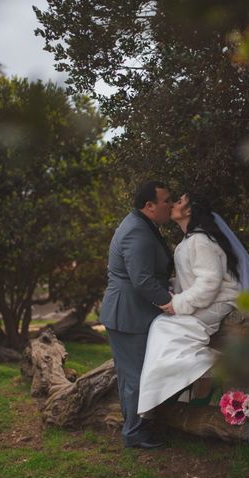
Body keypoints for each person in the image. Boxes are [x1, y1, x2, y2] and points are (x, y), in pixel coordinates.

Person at [137, 193, 249, 416]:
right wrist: (171, 291)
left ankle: (209, 368)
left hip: (219, 302)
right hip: (206, 299)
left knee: (166, 328)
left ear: (189, 211)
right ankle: (171, 389)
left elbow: (209, 282)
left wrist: (178, 304)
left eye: (179, 202)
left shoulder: (201, 240)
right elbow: (193, 279)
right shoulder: (188, 241)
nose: (173, 204)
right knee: (162, 326)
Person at [98, 180, 173, 449]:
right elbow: (141, 279)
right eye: (166, 200)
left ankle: (140, 427)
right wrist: (170, 302)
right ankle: (133, 434)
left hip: (134, 312)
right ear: (149, 206)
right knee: (135, 377)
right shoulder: (137, 232)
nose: (171, 204)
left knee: (137, 375)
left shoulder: (141, 224)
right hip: (128, 314)